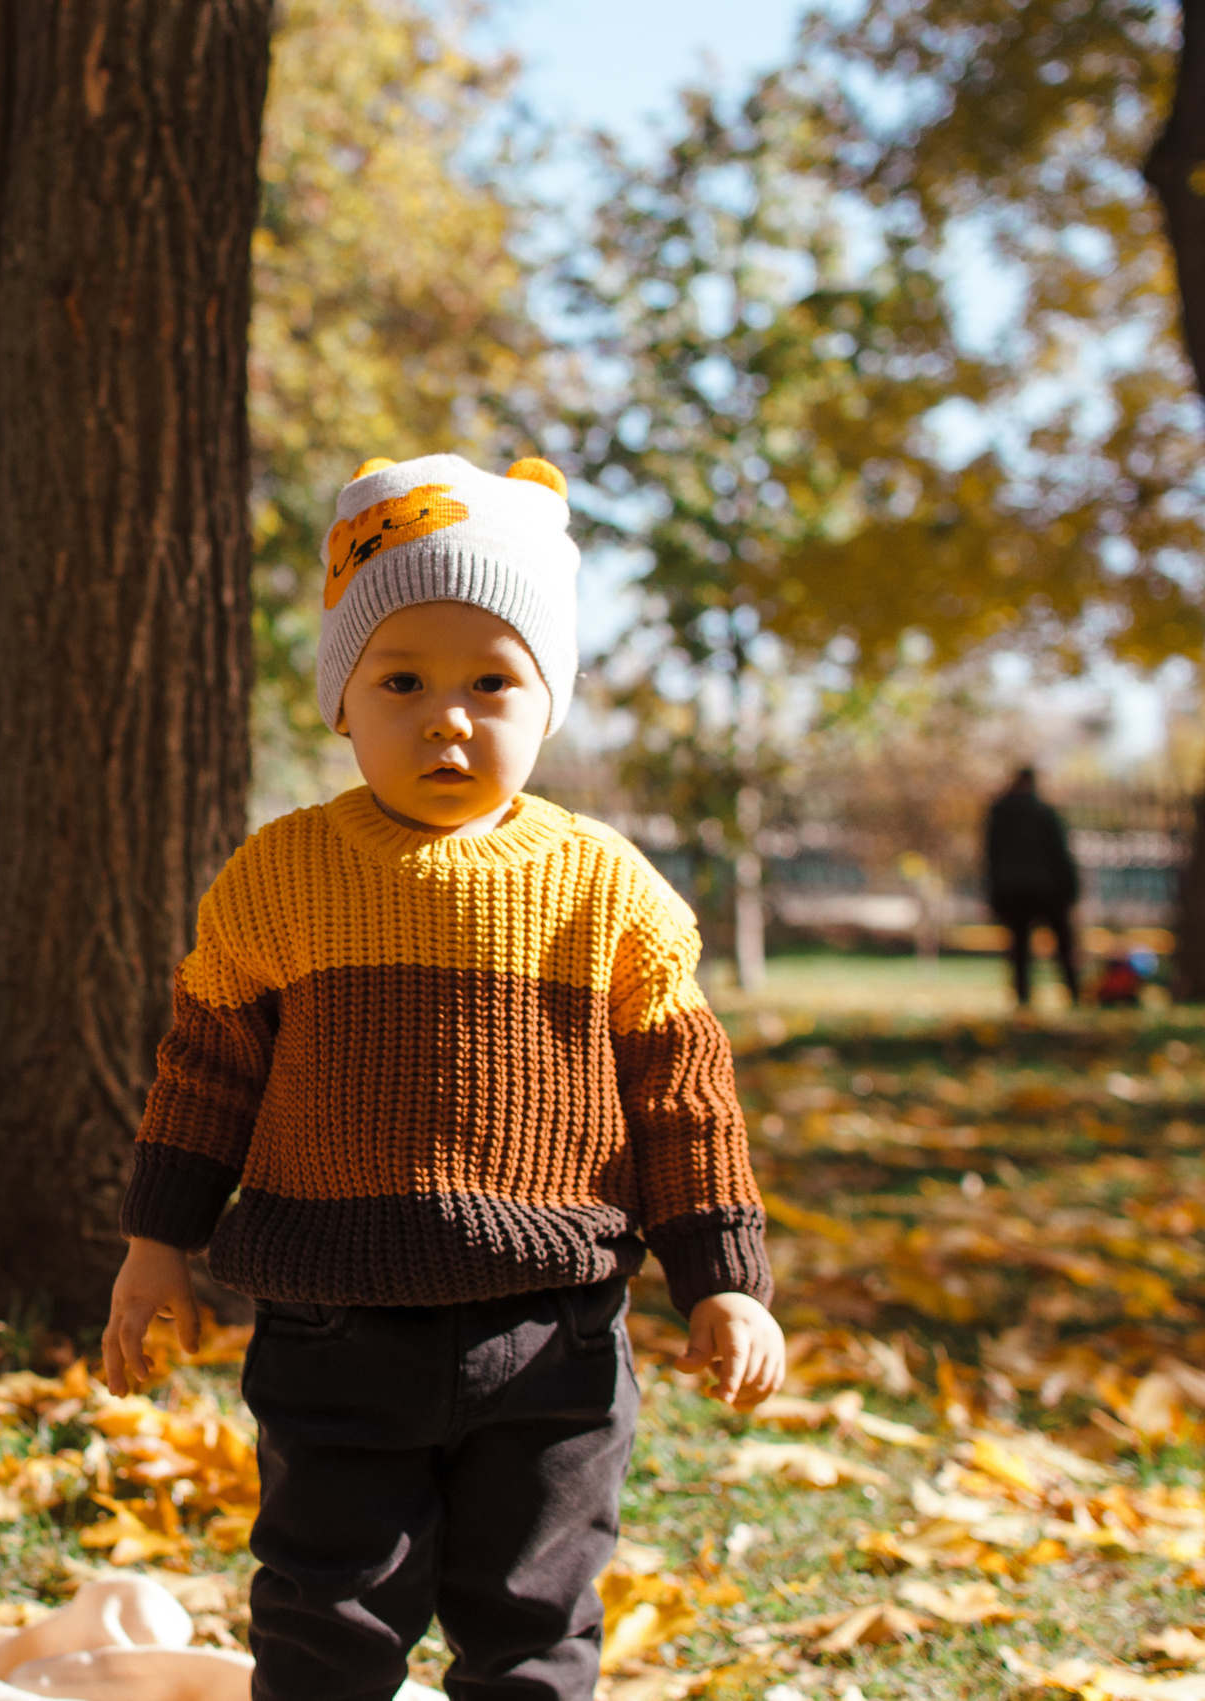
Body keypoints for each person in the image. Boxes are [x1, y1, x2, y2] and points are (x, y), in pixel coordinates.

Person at [99, 454, 784, 1701]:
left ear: (547, 702)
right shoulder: (279, 877)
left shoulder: (604, 889)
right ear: (342, 701)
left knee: (534, 1624)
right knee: (325, 1615)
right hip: (331, 1330)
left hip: (553, 1336)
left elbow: (685, 1099)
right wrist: (158, 1247)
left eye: (490, 682)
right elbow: (203, 1076)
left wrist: (723, 1281)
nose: (447, 718)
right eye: (401, 680)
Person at [983, 766, 1081, 1009]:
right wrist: (1071, 888)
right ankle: (1073, 992)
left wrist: (995, 891)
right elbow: (1059, 853)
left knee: (1019, 948)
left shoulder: (999, 813)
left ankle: (1023, 996)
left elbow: (990, 856)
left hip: (1013, 889)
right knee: (1063, 944)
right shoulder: (1043, 812)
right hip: (1047, 889)